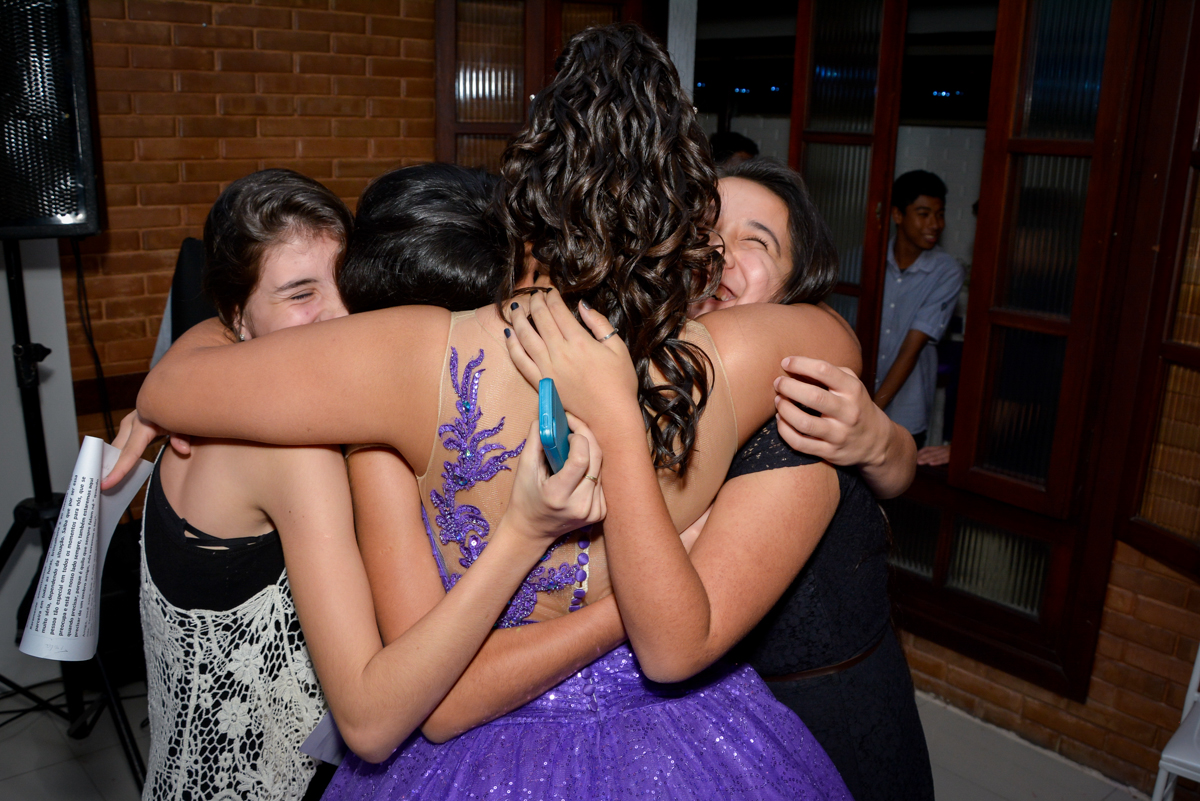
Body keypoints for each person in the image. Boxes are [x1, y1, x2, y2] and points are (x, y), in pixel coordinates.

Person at [131, 23, 863, 799]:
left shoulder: (416, 357)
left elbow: (164, 392)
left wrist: (225, 322)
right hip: (681, 746)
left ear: (522, 191)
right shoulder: (736, 357)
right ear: (685, 218)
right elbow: (839, 337)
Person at [130, 169, 607, 801]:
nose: (339, 314)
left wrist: (177, 373)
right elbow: (372, 724)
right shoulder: (293, 452)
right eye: (300, 293)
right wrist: (525, 535)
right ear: (236, 317)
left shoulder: (213, 404)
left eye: (344, 282)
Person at [875, 169, 965, 449]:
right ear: (898, 215)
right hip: (852, 401)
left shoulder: (946, 271)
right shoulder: (868, 260)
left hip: (904, 413)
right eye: (924, 214)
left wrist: (870, 412)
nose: (935, 224)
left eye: (940, 214)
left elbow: (911, 349)